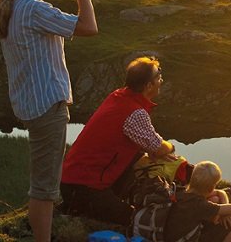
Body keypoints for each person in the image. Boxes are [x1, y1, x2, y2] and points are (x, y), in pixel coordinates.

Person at [0, 0, 98, 242]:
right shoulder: (35, 9)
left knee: (43, 181)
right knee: (45, 187)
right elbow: (89, 27)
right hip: (46, 105)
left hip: (31, 103)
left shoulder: (16, 3)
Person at [59, 56, 178, 225]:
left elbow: (146, 145)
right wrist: (171, 147)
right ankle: (80, 209)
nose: (162, 80)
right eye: (158, 77)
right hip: (85, 188)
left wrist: (150, 150)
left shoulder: (118, 96)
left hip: (73, 182)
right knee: (134, 220)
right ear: (148, 86)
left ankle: (90, 203)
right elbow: (159, 147)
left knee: (139, 155)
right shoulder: (134, 112)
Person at [164, 161, 231, 242]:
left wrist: (225, 211)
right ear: (211, 187)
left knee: (215, 199)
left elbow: (220, 193)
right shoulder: (200, 205)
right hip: (185, 239)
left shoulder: (181, 192)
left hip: (173, 235)